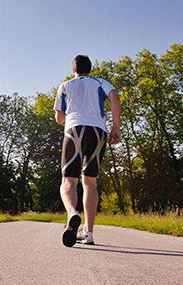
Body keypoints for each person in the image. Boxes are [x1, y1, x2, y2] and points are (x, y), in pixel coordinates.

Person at [54, 55, 121, 247]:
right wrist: (116, 127)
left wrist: (71, 111)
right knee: (90, 182)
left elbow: (59, 118)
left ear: (73, 69)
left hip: (74, 129)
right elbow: (115, 97)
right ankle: (89, 232)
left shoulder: (65, 85)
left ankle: (72, 214)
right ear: (90, 69)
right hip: (98, 132)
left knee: (68, 180)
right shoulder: (100, 82)